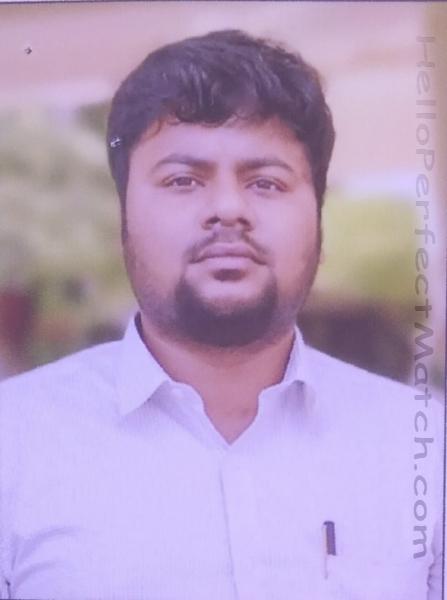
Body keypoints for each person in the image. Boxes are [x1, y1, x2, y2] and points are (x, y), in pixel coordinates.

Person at [0, 30, 442, 600]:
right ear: (123, 217)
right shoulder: (15, 443)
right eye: (183, 180)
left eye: (266, 182)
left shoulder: (422, 447)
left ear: (318, 217)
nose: (228, 209)